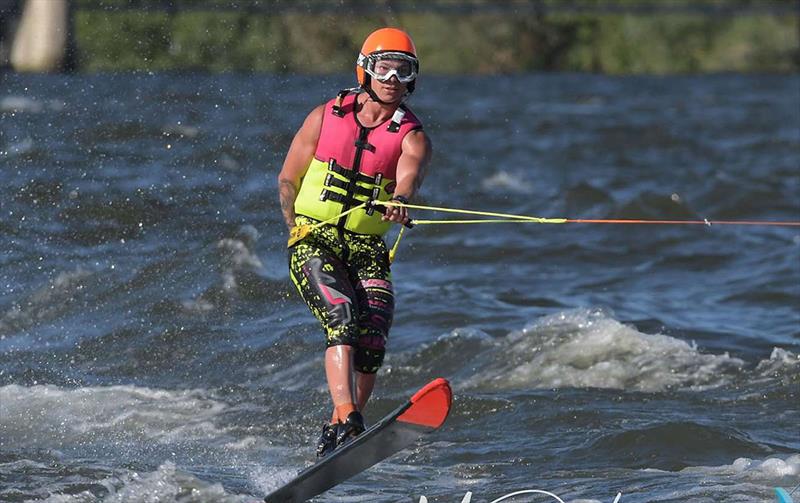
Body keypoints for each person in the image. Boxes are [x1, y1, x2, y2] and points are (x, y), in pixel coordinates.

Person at [277, 27, 432, 458]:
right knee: (341, 317)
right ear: (364, 70)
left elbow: (409, 176)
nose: (393, 79)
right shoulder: (324, 116)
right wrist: (293, 228)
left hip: (367, 249)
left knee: (373, 339)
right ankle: (348, 413)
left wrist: (400, 201)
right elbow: (288, 178)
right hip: (314, 238)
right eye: (384, 68)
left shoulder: (412, 136)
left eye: (404, 71)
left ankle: (338, 429)